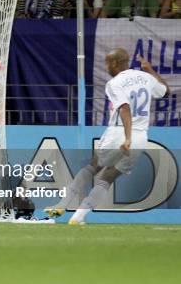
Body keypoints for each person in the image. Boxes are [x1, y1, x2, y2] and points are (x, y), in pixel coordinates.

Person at [46, 49, 168, 224]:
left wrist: (127, 138)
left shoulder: (115, 83)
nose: (106, 67)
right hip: (141, 137)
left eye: (107, 63)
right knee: (108, 178)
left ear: (115, 63)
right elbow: (165, 90)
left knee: (93, 167)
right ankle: (77, 217)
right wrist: (150, 70)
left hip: (120, 132)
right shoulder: (146, 78)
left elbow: (124, 108)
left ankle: (61, 205)